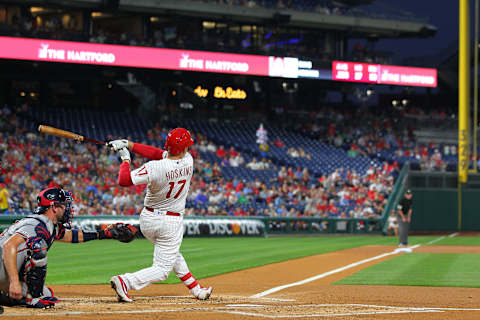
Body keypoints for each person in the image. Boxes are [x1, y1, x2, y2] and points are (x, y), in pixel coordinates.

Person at [107, 128, 212, 303]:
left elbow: (123, 180)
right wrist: (128, 145)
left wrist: (126, 158)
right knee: (163, 269)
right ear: (185, 148)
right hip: (170, 221)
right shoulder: (188, 160)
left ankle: (196, 290)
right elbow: (158, 153)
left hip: (148, 219)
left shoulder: (154, 167)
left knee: (172, 254)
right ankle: (125, 281)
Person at [0, 187, 135, 310]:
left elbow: (72, 236)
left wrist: (104, 234)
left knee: (46, 293)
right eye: (64, 205)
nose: (67, 209)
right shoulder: (37, 223)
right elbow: (8, 246)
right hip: (3, 267)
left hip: (4, 271)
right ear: (54, 207)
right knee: (37, 246)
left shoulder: (48, 225)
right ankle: (34, 299)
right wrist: (14, 282)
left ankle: (10, 295)